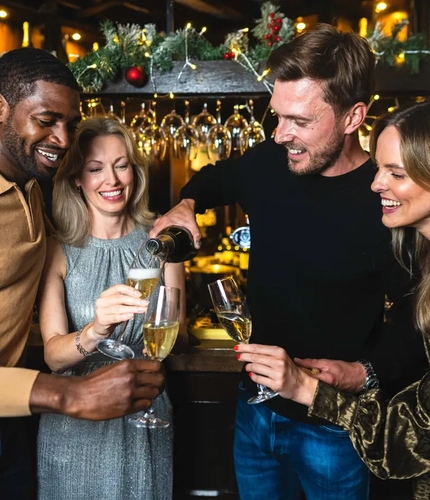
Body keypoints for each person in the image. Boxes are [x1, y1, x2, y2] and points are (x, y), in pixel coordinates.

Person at [149, 24, 427, 500]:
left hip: (333, 423)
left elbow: (414, 321)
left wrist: (364, 371)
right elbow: (216, 178)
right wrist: (187, 204)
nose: (280, 135)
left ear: (352, 117)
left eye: (299, 121)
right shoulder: (269, 164)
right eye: (277, 117)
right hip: (253, 409)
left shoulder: (389, 203)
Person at [236, 101, 430, 500]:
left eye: (396, 173)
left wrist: (306, 389)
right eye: (379, 169)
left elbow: (411, 439)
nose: (376, 183)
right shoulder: (420, 255)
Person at [0, 47, 164, 500]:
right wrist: (67, 394)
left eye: (70, 124)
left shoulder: (31, 190)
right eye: (47, 120)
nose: (62, 137)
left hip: (14, 418)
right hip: (47, 402)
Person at [36, 117, 187, 500]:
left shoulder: (162, 242)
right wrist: (96, 329)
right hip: (75, 420)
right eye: (95, 168)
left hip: (144, 409)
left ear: (134, 172)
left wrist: (160, 326)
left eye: (122, 166)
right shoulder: (57, 249)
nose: (112, 180)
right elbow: (54, 357)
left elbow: (179, 335)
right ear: (76, 178)